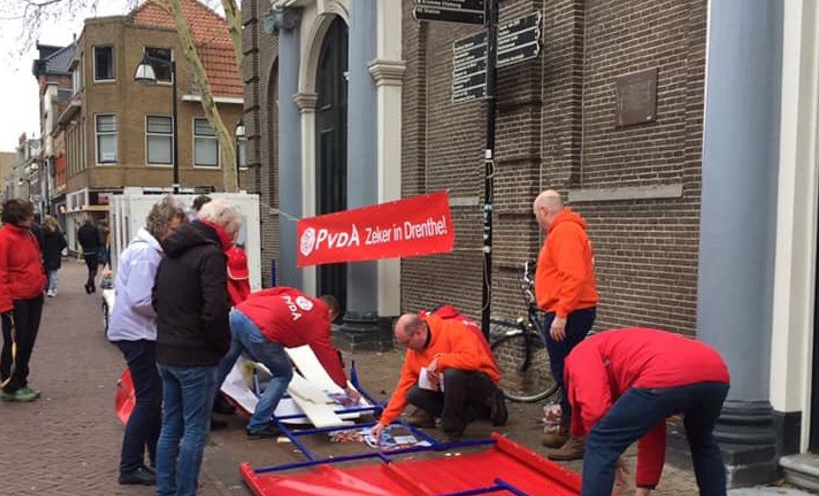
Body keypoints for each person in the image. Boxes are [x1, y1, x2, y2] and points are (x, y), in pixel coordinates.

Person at [548, 328, 731, 496]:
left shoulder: (579, 354)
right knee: (702, 441)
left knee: (600, 442)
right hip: (715, 371)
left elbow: (595, 409)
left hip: (670, 373)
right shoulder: (626, 357)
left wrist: (608, 454)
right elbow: (652, 432)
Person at [151, 199, 239, 496]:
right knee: (195, 431)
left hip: (167, 352)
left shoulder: (169, 251)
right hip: (195, 356)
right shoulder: (210, 256)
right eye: (235, 231)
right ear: (223, 227)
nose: (235, 238)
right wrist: (219, 347)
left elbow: (155, 300)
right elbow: (216, 311)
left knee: (171, 426)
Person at [108, 197, 186, 486]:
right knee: (149, 399)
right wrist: (173, 313)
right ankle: (130, 466)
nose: (177, 235)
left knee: (152, 398)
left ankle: (155, 458)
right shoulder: (147, 254)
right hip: (138, 334)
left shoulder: (148, 250)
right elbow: (142, 300)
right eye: (175, 229)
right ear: (162, 225)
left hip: (137, 332)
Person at [215, 287, 350, 438]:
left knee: (223, 366)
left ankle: (203, 414)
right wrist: (343, 385)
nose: (330, 324)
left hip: (238, 315)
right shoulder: (320, 322)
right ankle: (258, 425)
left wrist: (255, 312)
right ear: (331, 312)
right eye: (332, 320)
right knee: (283, 374)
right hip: (261, 330)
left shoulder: (293, 293)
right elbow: (328, 357)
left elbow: (259, 294)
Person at [532, 189, 599, 461]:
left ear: (544, 211)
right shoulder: (566, 231)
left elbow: (574, 275)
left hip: (569, 312)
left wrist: (561, 313)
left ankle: (579, 436)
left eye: (536, 215)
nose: (537, 220)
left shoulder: (565, 232)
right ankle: (569, 429)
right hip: (570, 309)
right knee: (567, 373)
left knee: (568, 375)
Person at [371, 311, 507, 442]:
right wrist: (384, 421)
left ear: (418, 333)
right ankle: (470, 415)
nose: (407, 348)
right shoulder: (413, 352)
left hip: (482, 382)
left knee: (452, 374)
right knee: (413, 394)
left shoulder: (453, 330)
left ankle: (451, 430)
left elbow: (472, 361)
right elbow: (403, 387)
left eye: (406, 342)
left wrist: (440, 362)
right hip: (449, 389)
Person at [0, 199, 47, 403]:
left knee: (27, 342)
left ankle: (21, 380)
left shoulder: (28, 235)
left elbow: (36, 260)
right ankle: (10, 385)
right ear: (18, 217)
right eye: (28, 214)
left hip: (33, 296)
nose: (32, 217)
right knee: (14, 343)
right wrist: (5, 306)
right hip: (15, 300)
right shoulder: (1, 240)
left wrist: (41, 281)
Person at [41, 217, 67, 298]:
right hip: (55, 254)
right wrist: (58, 249)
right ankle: (52, 289)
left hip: (45, 254)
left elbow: (40, 243)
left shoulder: (42, 231)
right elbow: (63, 243)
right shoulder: (58, 232)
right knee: (53, 273)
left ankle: (48, 288)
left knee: (47, 272)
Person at [77, 218, 102, 294]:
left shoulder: (81, 229)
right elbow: (98, 239)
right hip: (94, 251)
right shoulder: (94, 229)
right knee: (94, 269)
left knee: (90, 269)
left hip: (86, 251)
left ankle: (92, 286)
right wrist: (99, 247)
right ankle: (88, 283)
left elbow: (79, 239)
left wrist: (84, 246)